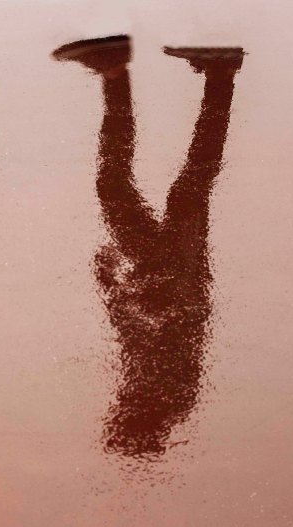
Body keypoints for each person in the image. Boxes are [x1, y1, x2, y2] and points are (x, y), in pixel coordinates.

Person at [54, 37, 243, 459]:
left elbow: (140, 336)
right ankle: (129, 72)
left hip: (169, 271)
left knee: (174, 184)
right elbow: (151, 331)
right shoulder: (166, 392)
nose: (114, 408)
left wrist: (117, 288)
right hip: (171, 269)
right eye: (118, 418)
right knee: (180, 184)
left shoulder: (166, 395)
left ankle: (201, 75)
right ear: (132, 419)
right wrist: (116, 288)